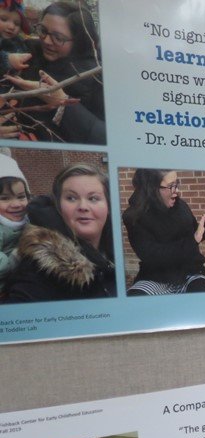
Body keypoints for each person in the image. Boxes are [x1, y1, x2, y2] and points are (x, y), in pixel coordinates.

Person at [5, 163, 114, 303]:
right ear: (58, 207)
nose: (83, 207)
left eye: (93, 198)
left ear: (108, 206)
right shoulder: (39, 270)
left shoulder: (113, 254)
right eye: (71, 198)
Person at [9, 2, 104, 144]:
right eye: (42, 30)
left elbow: (104, 138)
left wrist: (62, 103)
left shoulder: (97, 78)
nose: (46, 41)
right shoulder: (24, 53)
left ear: (79, 41)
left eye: (58, 38)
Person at [124, 169, 205, 295]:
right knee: (136, 298)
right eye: (171, 186)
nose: (176, 190)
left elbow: (193, 236)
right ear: (151, 189)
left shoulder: (180, 206)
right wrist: (193, 239)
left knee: (200, 296)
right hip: (156, 277)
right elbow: (152, 255)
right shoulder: (134, 217)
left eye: (177, 184)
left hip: (190, 272)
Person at [0, 152, 29, 287]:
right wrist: (15, 259)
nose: (16, 204)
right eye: (5, 198)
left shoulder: (29, 219)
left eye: (21, 197)